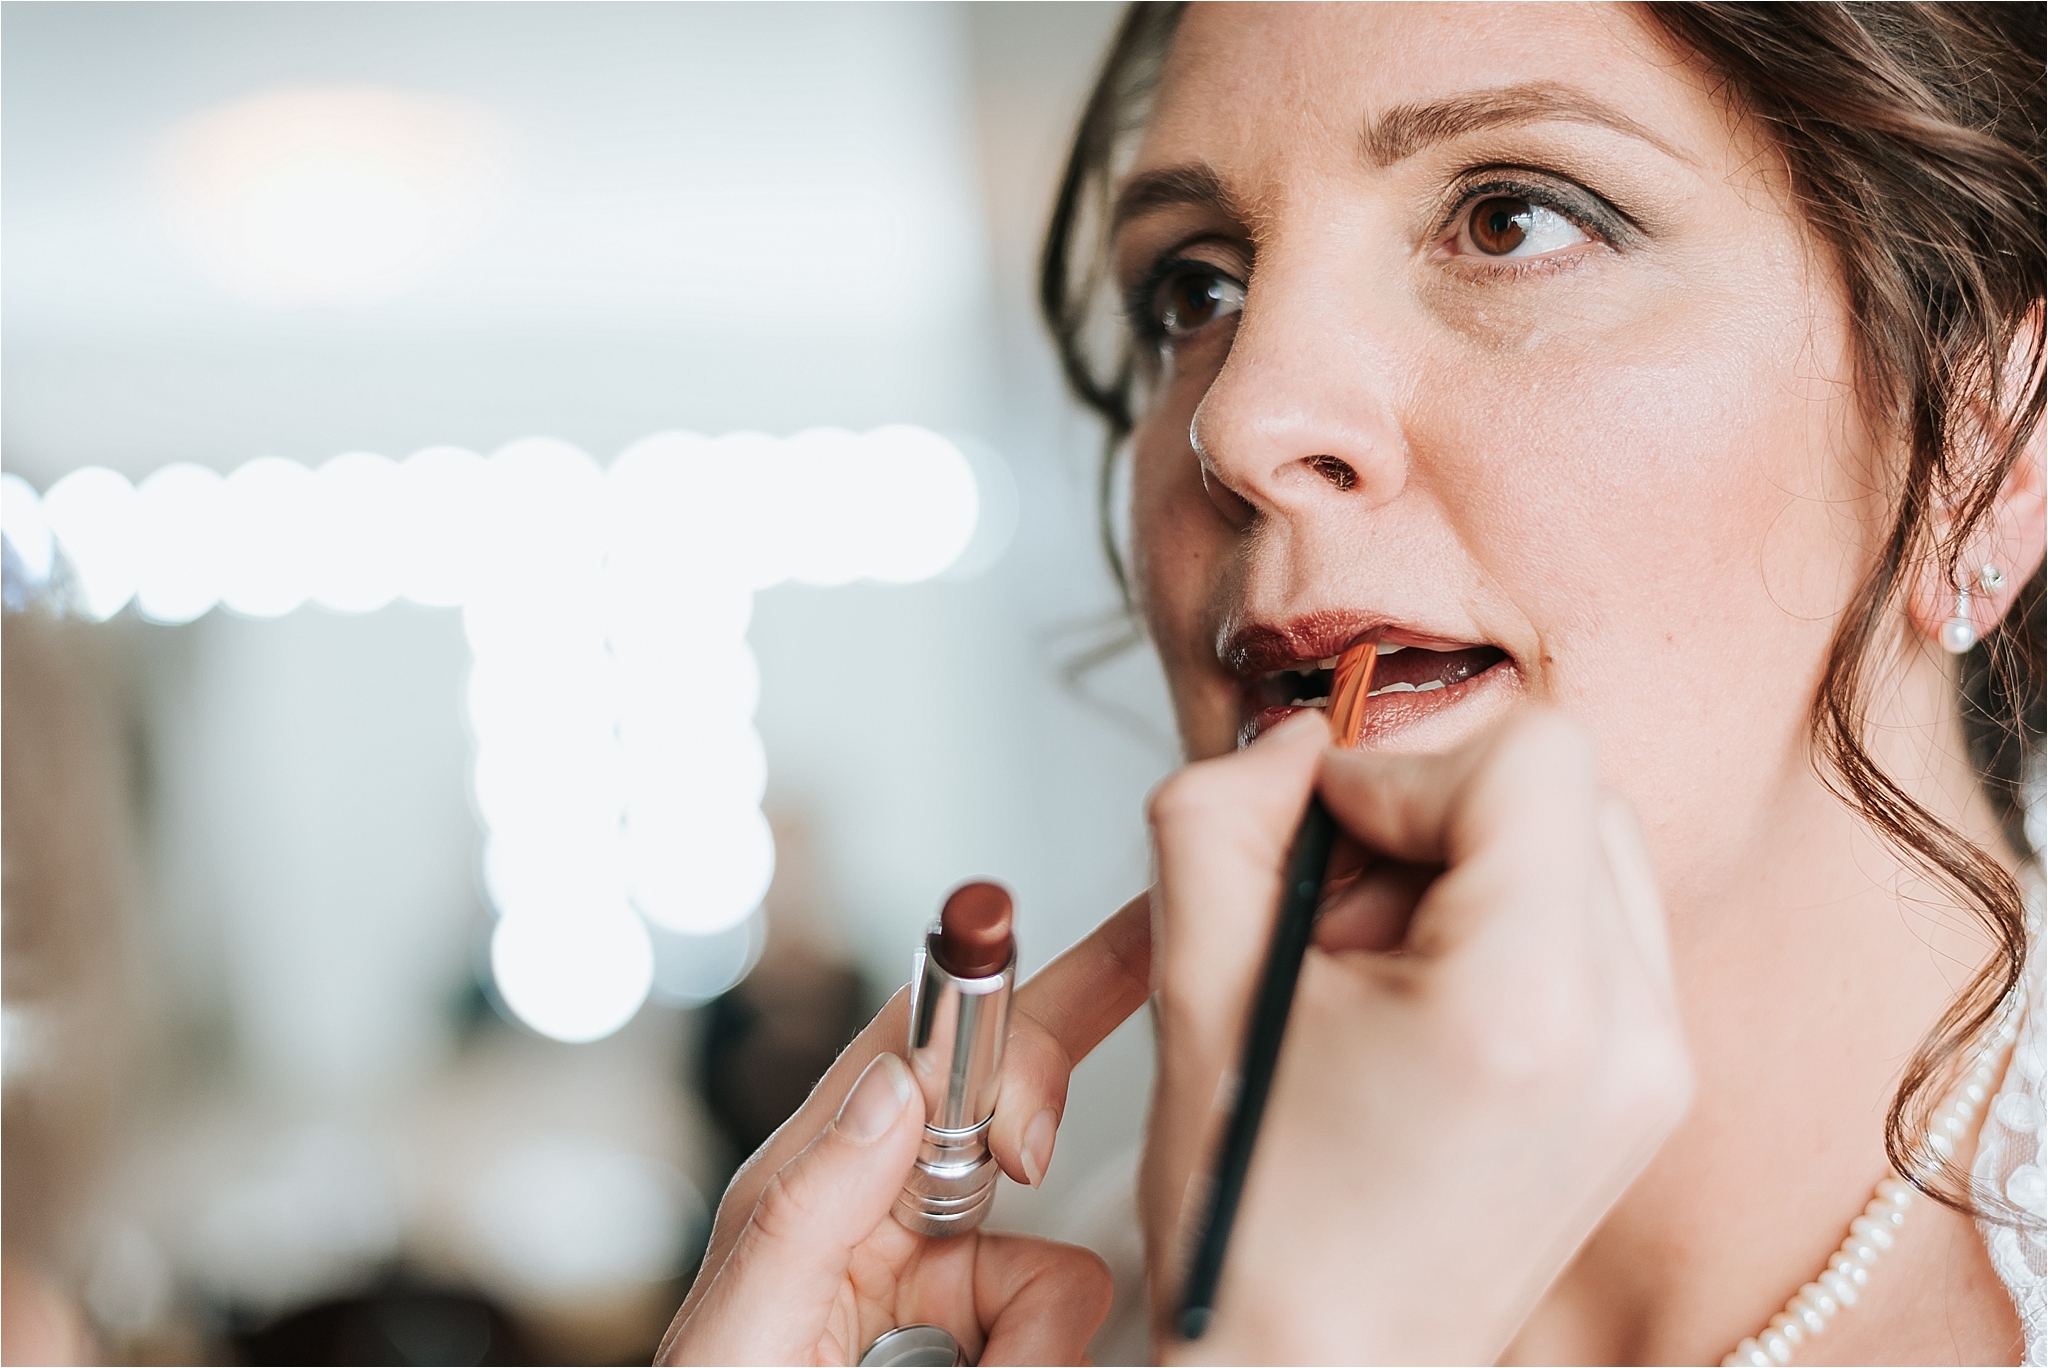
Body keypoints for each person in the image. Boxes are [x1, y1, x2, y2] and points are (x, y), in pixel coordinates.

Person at [657, 4, 2045, 1363]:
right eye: (1194, 288)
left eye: (1513, 216)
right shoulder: (1078, 1301)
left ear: (1988, 451)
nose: (1239, 419)